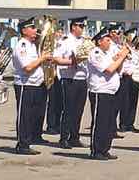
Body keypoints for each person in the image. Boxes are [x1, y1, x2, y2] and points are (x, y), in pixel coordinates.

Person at [86, 27, 128, 159]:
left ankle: (105, 149)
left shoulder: (108, 54)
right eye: (107, 40)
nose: (109, 42)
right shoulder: (96, 53)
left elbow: (118, 69)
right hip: (100, 91)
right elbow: (109, 69)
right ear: (99, 42)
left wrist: (122, 59)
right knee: (100, 122)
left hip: (111, 91)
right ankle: (96, 150)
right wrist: (121, 57)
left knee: (109, 123)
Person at [12, 17, 52, 155]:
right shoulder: (21, 46)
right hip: (25, 84)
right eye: (32, 28)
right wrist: (42, 58)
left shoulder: (32, 45)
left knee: (34, 114)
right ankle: (22, 144)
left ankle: (32, 137)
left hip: (36, 84)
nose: (36, 31)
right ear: (24, 30)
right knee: (25, 115)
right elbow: (28, 67)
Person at [52, 18, 89, 149]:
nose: (82, 29)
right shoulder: (65, 41)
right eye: (80, 26)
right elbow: (55, 58)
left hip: (82, 78)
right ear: (74, 27)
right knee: (68, 109)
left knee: (79, 110)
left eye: (83, 26)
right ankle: (64, 138)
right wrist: (72, 62)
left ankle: (74, 137)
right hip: (69, 78)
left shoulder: (85, 42)